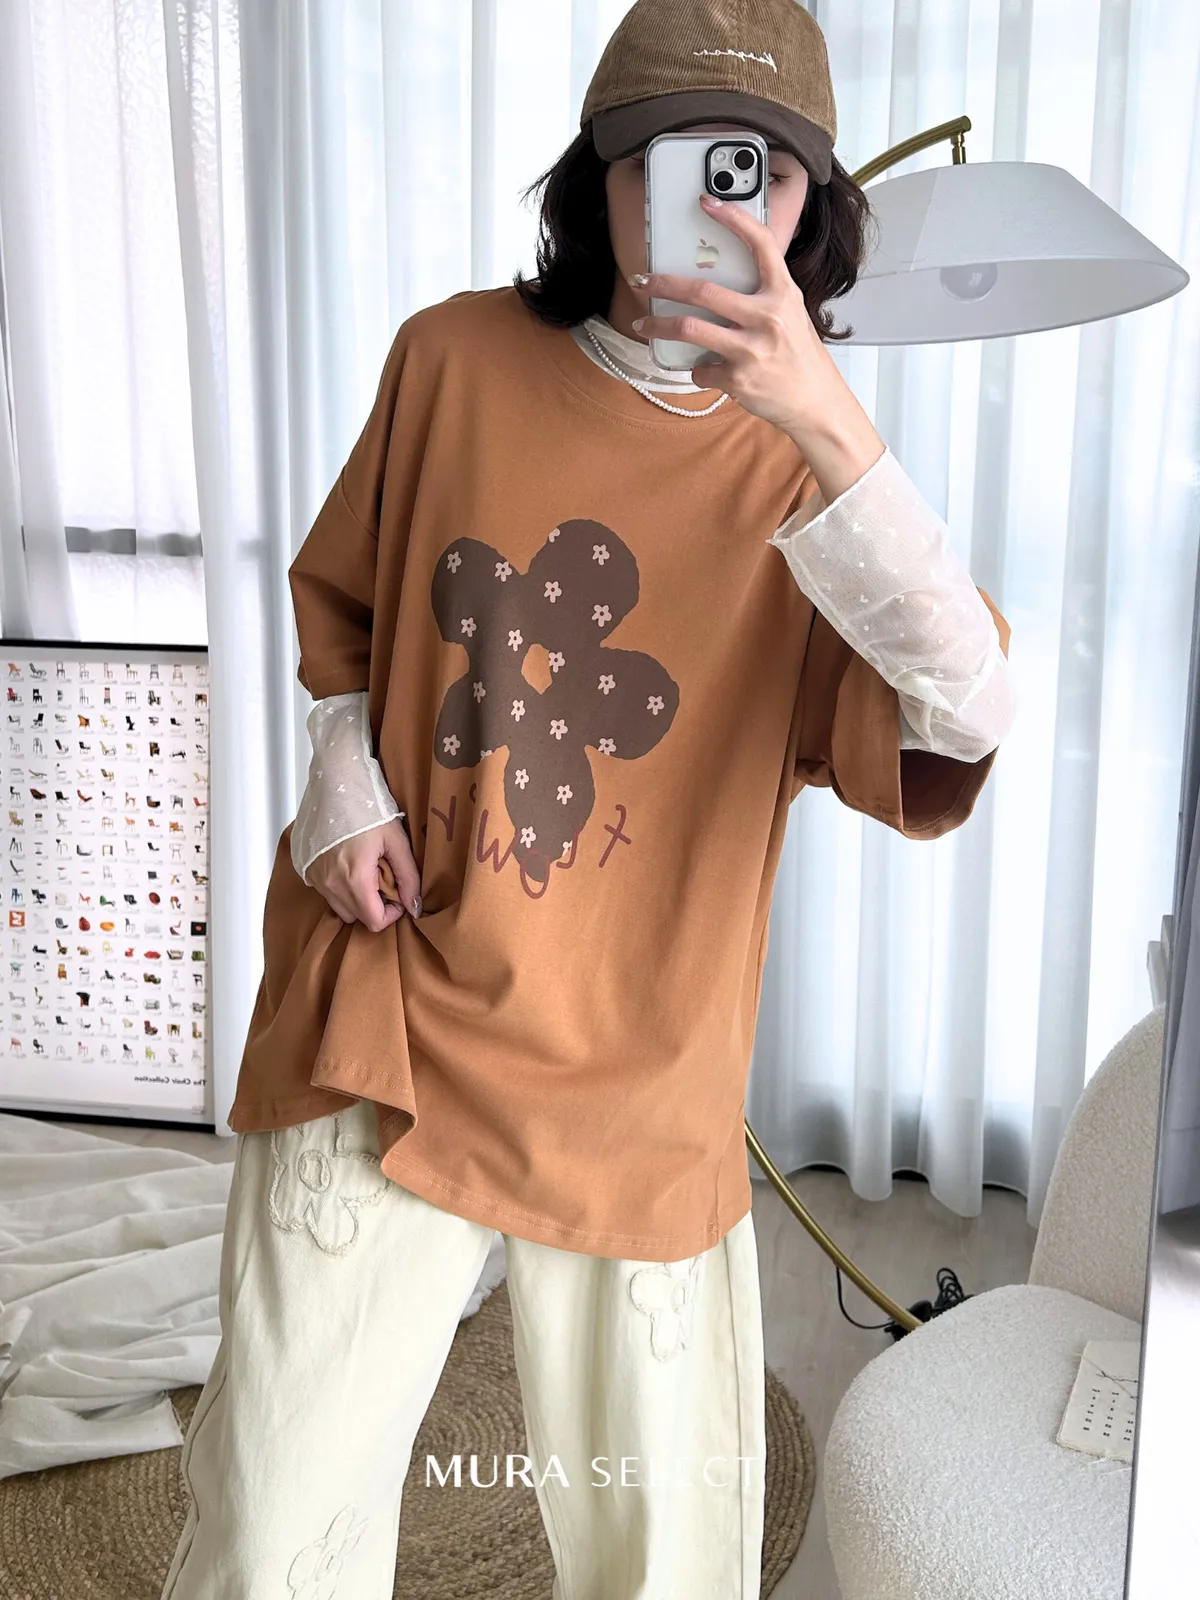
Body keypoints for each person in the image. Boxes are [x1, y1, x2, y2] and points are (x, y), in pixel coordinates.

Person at [160, 2, 1014, 1596]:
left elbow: (966, 707)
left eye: (757, 174)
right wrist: (340, 788)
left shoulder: (812, 480)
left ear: (812, 209)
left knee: (659, 1553)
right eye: (665, 164)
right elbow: (347, 623)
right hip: (394, 1012)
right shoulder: (451, 359)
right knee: (270, 1519)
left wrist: (825, 417)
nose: (711, 207)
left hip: (640, 1062)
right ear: (599, 181)